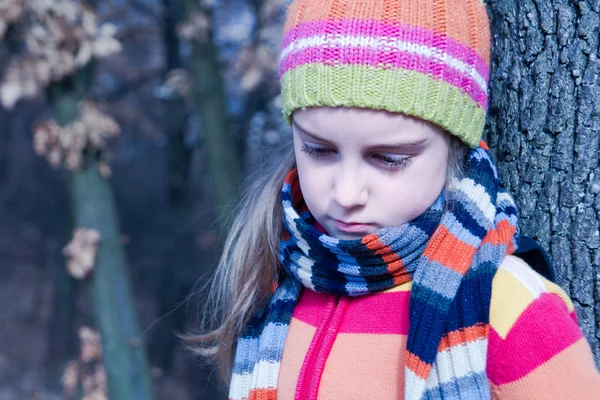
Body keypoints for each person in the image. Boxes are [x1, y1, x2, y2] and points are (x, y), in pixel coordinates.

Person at [188, 0, 600, 398]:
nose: (347, 194)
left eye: (388, 159)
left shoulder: (509, 308)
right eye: (319, 150)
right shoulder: (274, 284)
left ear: (456, 148)